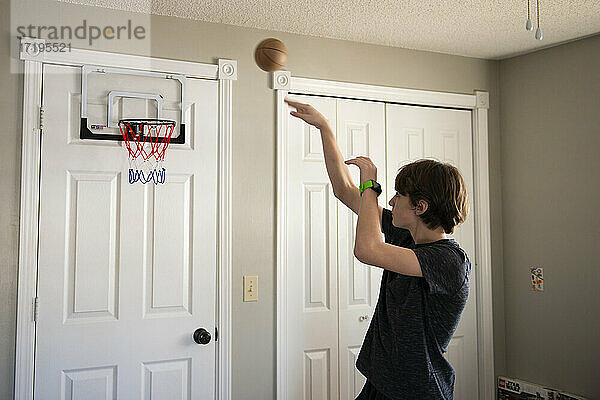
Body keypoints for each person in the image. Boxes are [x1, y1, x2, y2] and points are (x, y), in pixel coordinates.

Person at [285, 98, 471, 400]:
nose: (392, 201)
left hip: (417, 391)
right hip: (384, 383)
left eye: (399, 195)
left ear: (420, 207)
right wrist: (325, 129)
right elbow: (345, 191)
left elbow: (368, 249)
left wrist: (371, 185)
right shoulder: (406, 236)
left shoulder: (449, 261)